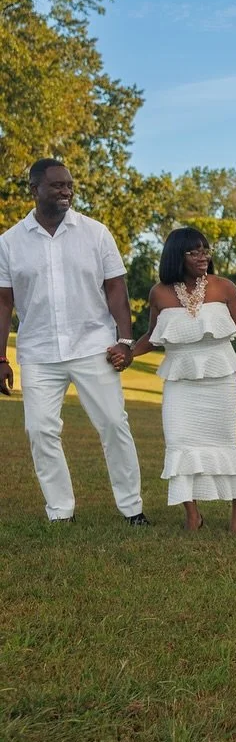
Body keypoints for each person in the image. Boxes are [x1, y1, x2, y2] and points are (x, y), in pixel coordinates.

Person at [0, 158, 147, 525]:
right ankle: (60, 511)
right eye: (57, 185)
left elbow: (116, 288)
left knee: (114, 424)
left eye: (69, 185)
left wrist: (125, 340)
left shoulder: (96, 233)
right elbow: (3, 302)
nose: (66, 191)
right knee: (40, 430)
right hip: (38, 350)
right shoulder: (8, 243)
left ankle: (132, 509)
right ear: (34, 190)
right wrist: (0, 358)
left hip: (93, 346)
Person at [127, 227, 236, 531]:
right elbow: (153, 337)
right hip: (179, 379)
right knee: (179, 441)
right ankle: (192, 513)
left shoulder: (224, 288)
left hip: (219, 375)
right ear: (175, 255)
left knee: (225, 441)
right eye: (194, 252)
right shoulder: (159, 292)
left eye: (206, 251)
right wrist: (128, 353)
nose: (202, 257)